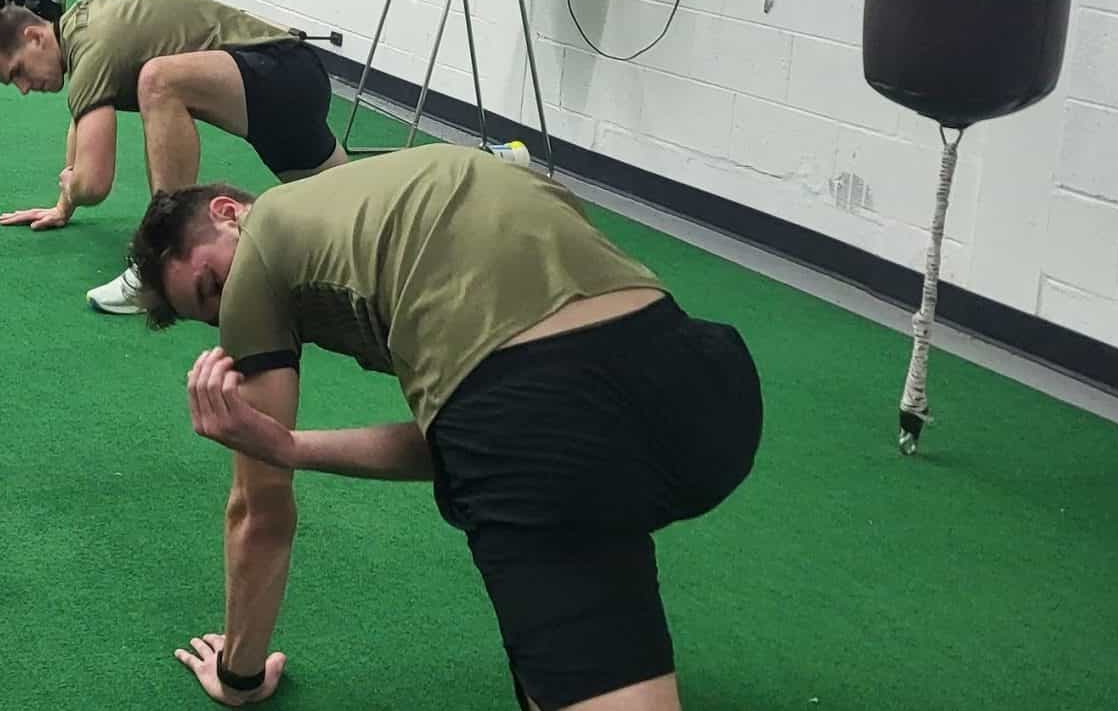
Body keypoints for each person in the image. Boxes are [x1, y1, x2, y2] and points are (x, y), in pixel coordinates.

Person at [132, 145, 763, 710]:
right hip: (706, 397)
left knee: (561, 495)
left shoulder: (262, 242)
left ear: (229, 212)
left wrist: (239, 674)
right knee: (567, 503)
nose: (227, 315)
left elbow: (259, 508)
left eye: (213, 286)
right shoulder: (408, 185)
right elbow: (467, 438)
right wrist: (291, 447)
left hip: (555, 439)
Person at [0, 0, 344, 313]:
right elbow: (82, 120)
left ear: (34, 36)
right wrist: (64, 205)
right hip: (289, 76)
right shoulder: (80, 28)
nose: (23, 88)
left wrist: (75, 186)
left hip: (275, 68)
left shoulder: (92, 48)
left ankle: (162, 255)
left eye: (17, 72)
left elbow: (94, 184)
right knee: (345, 210)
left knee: (159, 80)